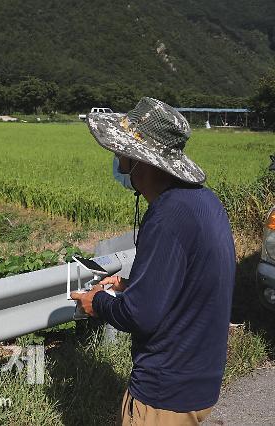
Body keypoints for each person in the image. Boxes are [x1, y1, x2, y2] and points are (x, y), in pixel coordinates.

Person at [71, 97, 235, 425]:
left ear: (138, 160)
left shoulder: (167, 216)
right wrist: (132, 285)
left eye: (121, 150)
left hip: (164, 393)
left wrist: (97, 302)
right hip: (198, 382)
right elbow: (192, 284)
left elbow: (140, 315)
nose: (116, 157)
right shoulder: (203, 201)